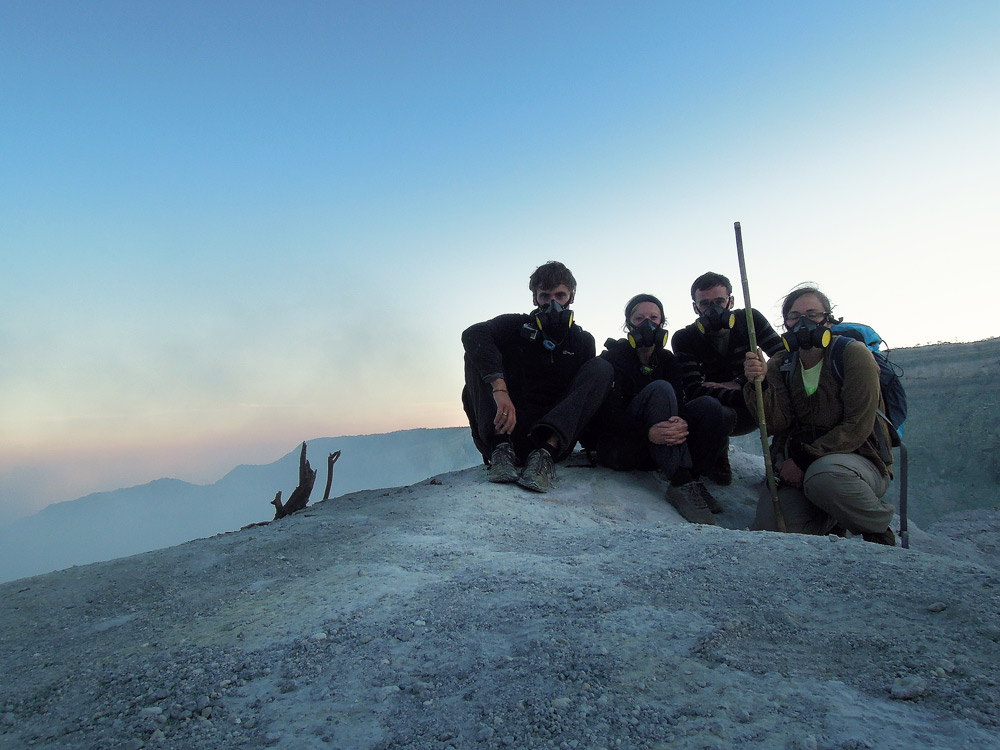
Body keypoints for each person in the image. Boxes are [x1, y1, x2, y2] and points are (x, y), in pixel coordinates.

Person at [743, 285, 896, 544]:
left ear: (828, 318)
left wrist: (803, 460)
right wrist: (760, 383)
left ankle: (878, 532)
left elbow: (858, 425)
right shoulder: (781, 363)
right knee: (772, 527)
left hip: (857, 463)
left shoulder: (852, 354)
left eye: (812, 314)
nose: (803, 322)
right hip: (802, 469)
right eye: (794, 316)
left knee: (823, 477)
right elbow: (776, 423)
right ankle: (831, 519)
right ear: (786, 324)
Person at [461, 261, 612, 493]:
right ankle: (501, 451)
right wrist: (499, 389)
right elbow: (472, 333)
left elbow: (580, 400)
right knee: (477, 353)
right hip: (505, 429)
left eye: (560, 295)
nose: (552, 303)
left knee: (601, 367)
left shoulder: (582, 342)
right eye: (545, 295)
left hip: (550, 439)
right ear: (535, 299)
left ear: (571, 297)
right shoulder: (514, 326)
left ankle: (543, 458)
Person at [592, 294, 729, 525]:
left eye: (654, 318)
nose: (647, 323)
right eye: (639, 318)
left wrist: (682, 421)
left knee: (709, 406)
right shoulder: (613, 358)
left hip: (659, 447)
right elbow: (607, 415)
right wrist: (646, 432)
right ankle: (680, 482)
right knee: (660, 389)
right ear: (629, 324)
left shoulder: (667, 360)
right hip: (624, 447)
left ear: (662, 323)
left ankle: (692, 481)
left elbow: (679, 401)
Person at [671, 271, 784, 485]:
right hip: (727, 410)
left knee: (788, 393)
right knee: (713, 409)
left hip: (762, 402)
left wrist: (741, 383)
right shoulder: (684, 338)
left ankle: (783, 457)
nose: (712, 309)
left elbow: (783, 358)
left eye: (719, 301)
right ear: (695, 308)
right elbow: (694, 390)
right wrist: (749, 389)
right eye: (704, 304)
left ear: (730, 301)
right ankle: (717, 455)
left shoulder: (751, 320)